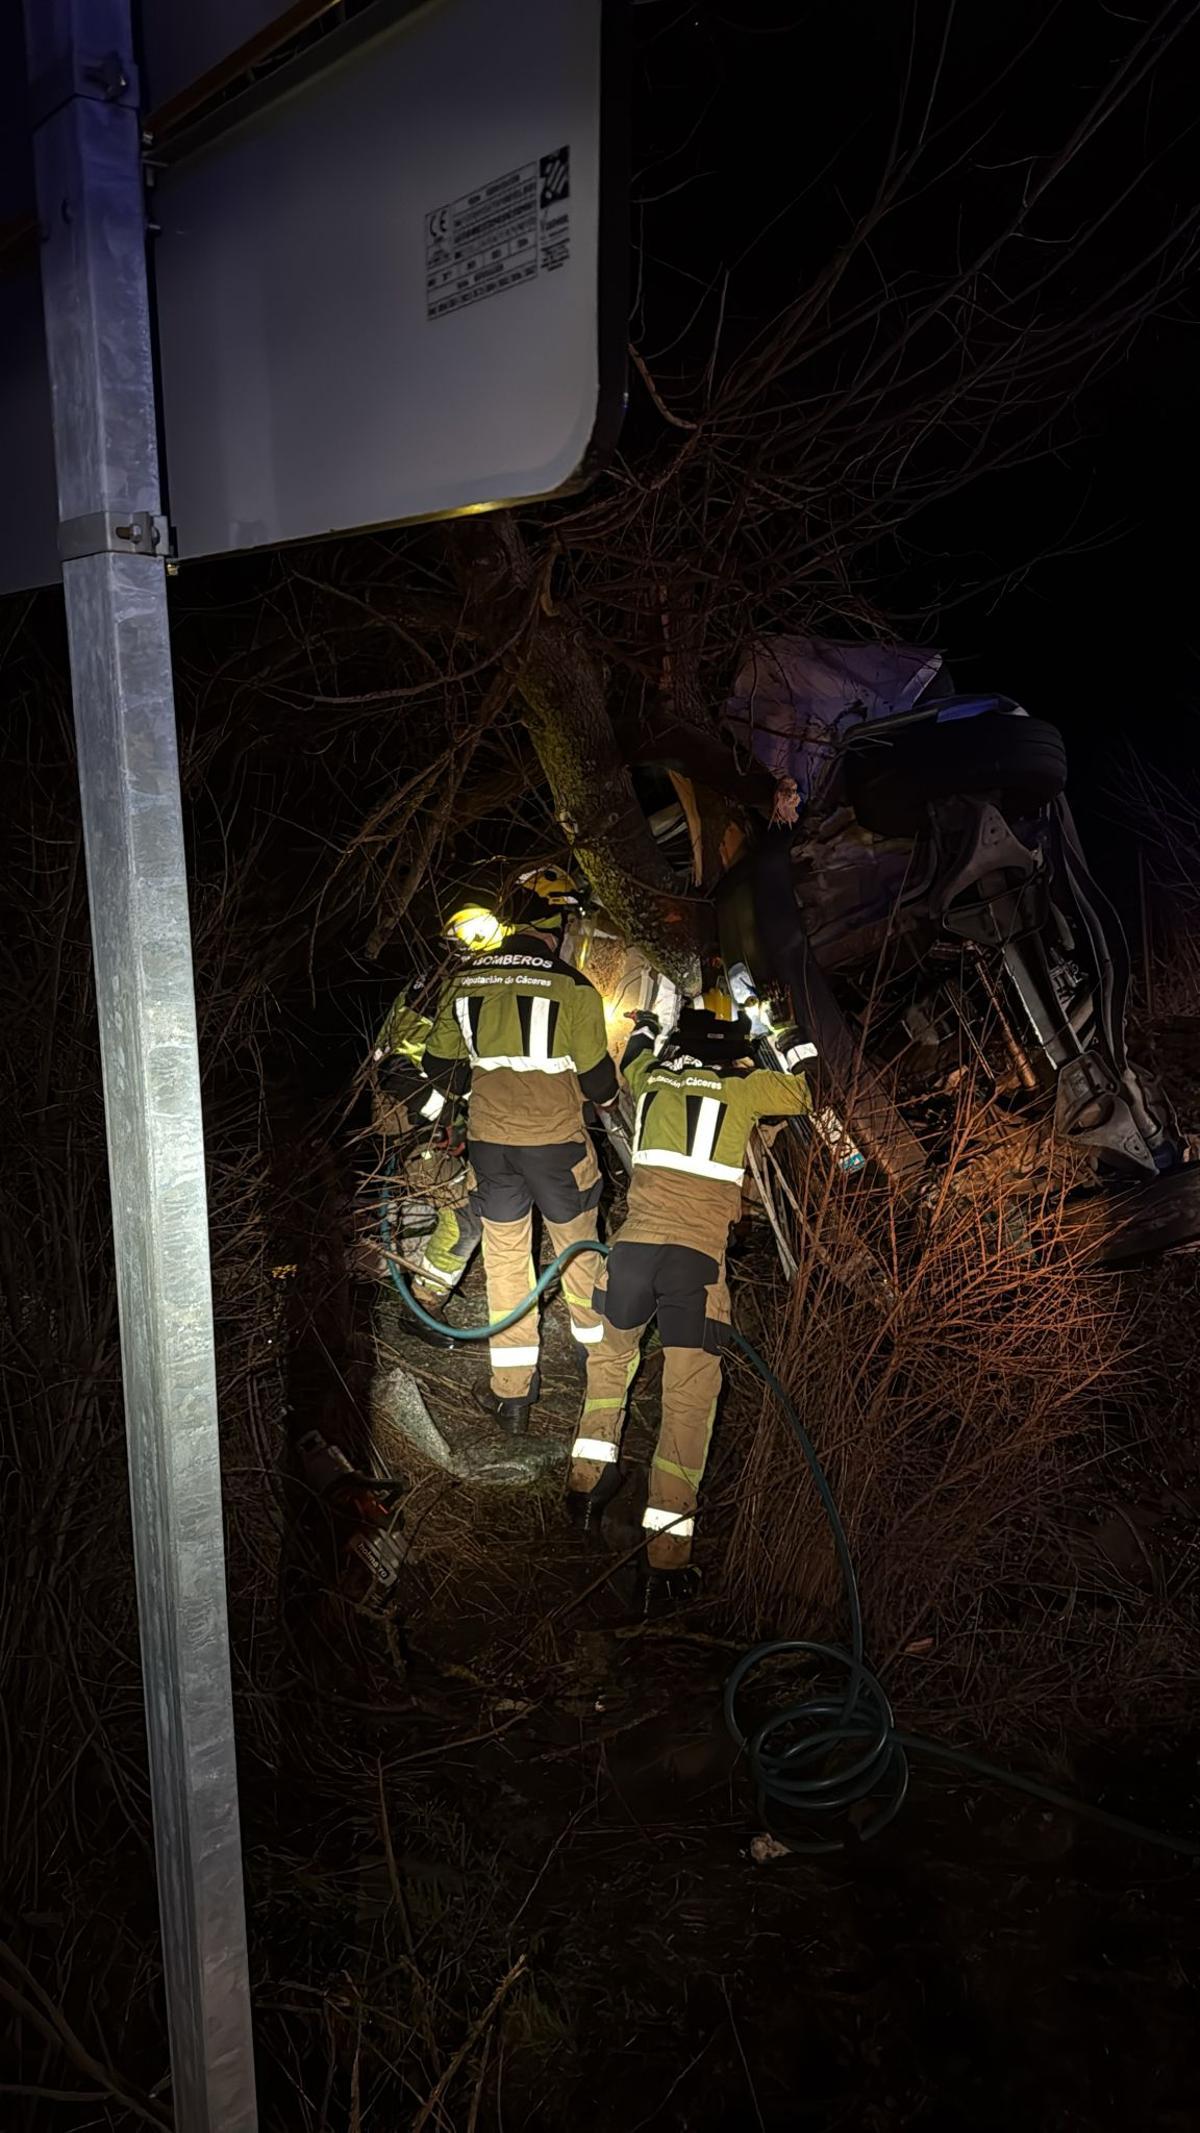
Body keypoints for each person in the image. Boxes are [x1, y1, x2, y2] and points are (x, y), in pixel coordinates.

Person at [569, 1002, 811, 1605]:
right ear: (732, 1052)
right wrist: (787, 1033)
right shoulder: (747, 1087)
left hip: (628, 1256)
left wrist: (648, 1023)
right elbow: (807, 1094)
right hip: (694, 1266)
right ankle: (665, 1556)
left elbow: (633, 1054)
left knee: (607, 1366)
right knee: (688, 1399)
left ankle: (585, 1487)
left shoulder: (652, 1077)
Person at [422, 870, 618, 1431]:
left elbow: (438, 1065)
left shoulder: (465, 979)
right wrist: (599, 1097)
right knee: (578, 1252)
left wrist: (481, 1088)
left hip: (491, 1148)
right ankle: (600, 1368)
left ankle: (512, 1397)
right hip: (558, 1150)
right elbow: (599, 1081)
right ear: (554, 929)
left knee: (506, 1261)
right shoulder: (574, 987)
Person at [367, 974, 481, 1342]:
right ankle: (421, 1306)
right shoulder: (432, 994)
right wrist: (449, 1119)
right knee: (464, 1220)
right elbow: (394, 1069)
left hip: (431, 1126)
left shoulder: (455, 994)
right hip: (411, 1126)